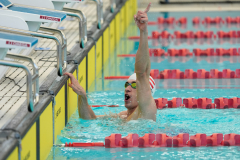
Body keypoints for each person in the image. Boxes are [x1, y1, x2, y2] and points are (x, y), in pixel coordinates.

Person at [64, 3, 157, 121]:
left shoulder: (146, 113)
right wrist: (82, 97)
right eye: (127, 84)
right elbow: (89, 120)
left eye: (133, 85)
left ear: (147, 92)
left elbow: (142, 73)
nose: (127, 89)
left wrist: (143, 32)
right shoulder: (123, 116)